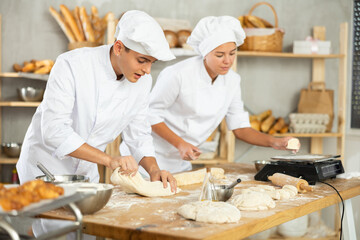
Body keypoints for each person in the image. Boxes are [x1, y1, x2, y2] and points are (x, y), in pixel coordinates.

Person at [16, 10, 177, 192]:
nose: (147, 70)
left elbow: (139, 133)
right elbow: (53, 130)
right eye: (142, 60)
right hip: (47, 167)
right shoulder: (72, 64)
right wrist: (109, 160)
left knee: (85, 220)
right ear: (118, 48)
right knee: (53, 220)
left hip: (87, 169)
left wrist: (154, 170)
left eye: (152, 63)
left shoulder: (143, 81)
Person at [121, 16, 300, 175]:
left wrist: (275, 142)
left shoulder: (232, 81)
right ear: (205, 53)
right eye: (220, 55)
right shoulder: (178, 74)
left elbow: (240, 128)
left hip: (181, 164)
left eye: (232, 53)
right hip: (145, 159)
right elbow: (150, 114)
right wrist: (180, 144)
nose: (228, 61)